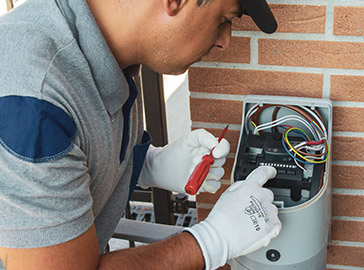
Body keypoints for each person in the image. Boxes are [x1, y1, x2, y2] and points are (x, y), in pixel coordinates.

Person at [0, 0, 281, 269]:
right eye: (224, 19)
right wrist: (210, 242)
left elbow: (78, 151)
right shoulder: (33, 102)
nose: (224, 40)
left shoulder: (110, 53)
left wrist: (149, 165)